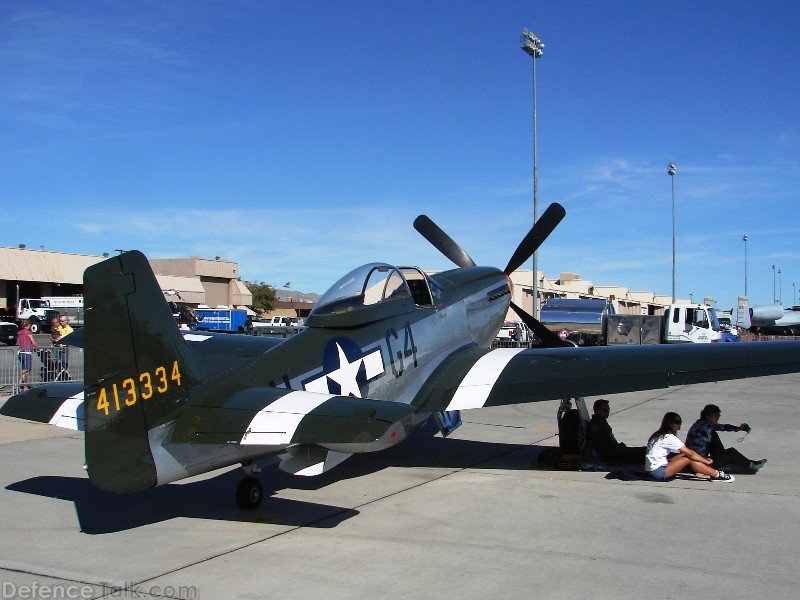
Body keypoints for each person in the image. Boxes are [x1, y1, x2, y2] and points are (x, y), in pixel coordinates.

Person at [645, 412, 734, 482]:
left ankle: (703, 470)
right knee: (688, 458)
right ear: (669, 424)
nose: (679, 425)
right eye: (676, 422)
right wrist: (704, 460)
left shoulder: (658, 434)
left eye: (679, 422)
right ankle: (716, 475)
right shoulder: (668, 437)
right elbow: (690, 453)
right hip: (657, 473)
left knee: (685, 454)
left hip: (652, 469)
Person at [684, 404, 766, 473]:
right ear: (708, 416)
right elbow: (698, 452)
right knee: (731, 452)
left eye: (718, 416)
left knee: (713, 435)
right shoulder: (704, 430)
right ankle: (751, 465)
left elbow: (721, 427)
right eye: (716, 416)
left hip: (696, 459)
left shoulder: (701, 423)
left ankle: (724, 462)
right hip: (699, 463)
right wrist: (704, 469)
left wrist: (738, 428)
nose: (718, 418)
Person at [583, 399, 647, 465]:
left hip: (617, 451)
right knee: (645, 453)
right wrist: (585, 461)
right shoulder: (596, 423)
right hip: (615, 455)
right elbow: (591, 441)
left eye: (608, 409)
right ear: (597, 410)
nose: (608, 412)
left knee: (644, 451)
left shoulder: (601, 420)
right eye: (605, 410)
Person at [17, 320, 37, 390]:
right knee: (27, 369)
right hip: (27, 352)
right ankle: (20, 382)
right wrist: (37, 348)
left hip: (20, 352)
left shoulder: (19, 333)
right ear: (28, 325)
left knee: (23, 369)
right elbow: (33, 342)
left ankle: (22, 385)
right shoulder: (28, 333)